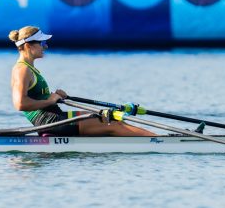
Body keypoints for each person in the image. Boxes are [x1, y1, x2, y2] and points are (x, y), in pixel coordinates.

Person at [9, 25, 155, 137]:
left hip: (55, 117)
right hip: (49, 122)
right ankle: (159, 140)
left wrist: (54, 96)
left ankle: (154, 139)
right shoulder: (22, 70)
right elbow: (20, 104)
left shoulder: (29, 68)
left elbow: (36, 97)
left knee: (109, 118)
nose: (45, 47)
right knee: (112, 123)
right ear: (28, 46)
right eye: (41, 43)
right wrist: (50, 100)